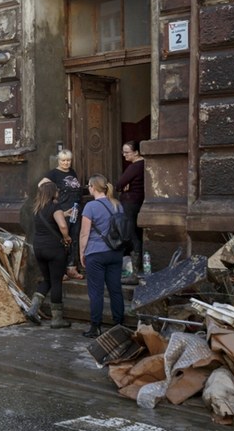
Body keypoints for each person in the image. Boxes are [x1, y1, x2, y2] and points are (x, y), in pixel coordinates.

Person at [79, 174, 125, 338]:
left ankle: (95, 327)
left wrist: (81, 253)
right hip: (115, 253)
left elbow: (84, 233)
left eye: (89, 187)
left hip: (95, 253)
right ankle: (119, 325)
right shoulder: (118, 205)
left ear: (92, 187)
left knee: (96, 292)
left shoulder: (90, 206)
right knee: (116, 290)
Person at [27, 182, 72, 328]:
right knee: (56, 281)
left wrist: (64, 214)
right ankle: (57, 319)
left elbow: (49, 218)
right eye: (57, 189)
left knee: (47, 279)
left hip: (39, 248)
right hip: (53, 248)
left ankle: (33, 310)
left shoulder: (37, 208)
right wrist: (66, 237)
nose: (58, 191)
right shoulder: (55, 206)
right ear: (53, 192)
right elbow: (63, 226)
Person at [38, 149, 83, 281]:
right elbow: (41, 185)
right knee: (62, 238)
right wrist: (52, 200)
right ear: (58, 161)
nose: (66, 163)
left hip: (75, 209)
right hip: (62, 210)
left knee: (74, 237)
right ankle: (60, 269)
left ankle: (71, 268)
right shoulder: (53, 173)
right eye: (63, 160)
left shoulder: (72, 172)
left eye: (68, 160)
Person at [116, 140, 145, 279]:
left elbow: (119, 184)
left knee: (131, 233)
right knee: (134, 232)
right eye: (123, 152)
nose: (124, 155)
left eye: (127, 152)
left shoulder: (135, 166)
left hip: (130, 202)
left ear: (136, 152)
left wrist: (123, 185)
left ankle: (135, 271)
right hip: (137, 201)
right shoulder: (143, 165)